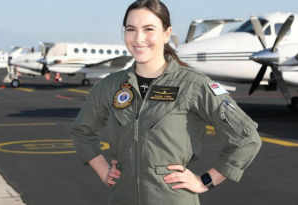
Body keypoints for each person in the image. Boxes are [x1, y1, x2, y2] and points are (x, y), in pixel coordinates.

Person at [70, 0, 262, 204]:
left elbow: (246, 138)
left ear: (166, 33)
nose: (138, 38)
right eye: (131, 29)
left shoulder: (193, 85)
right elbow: (81, 131)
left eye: (148, 29)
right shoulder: (109, 86)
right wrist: (104, 171)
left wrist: (205, 180)